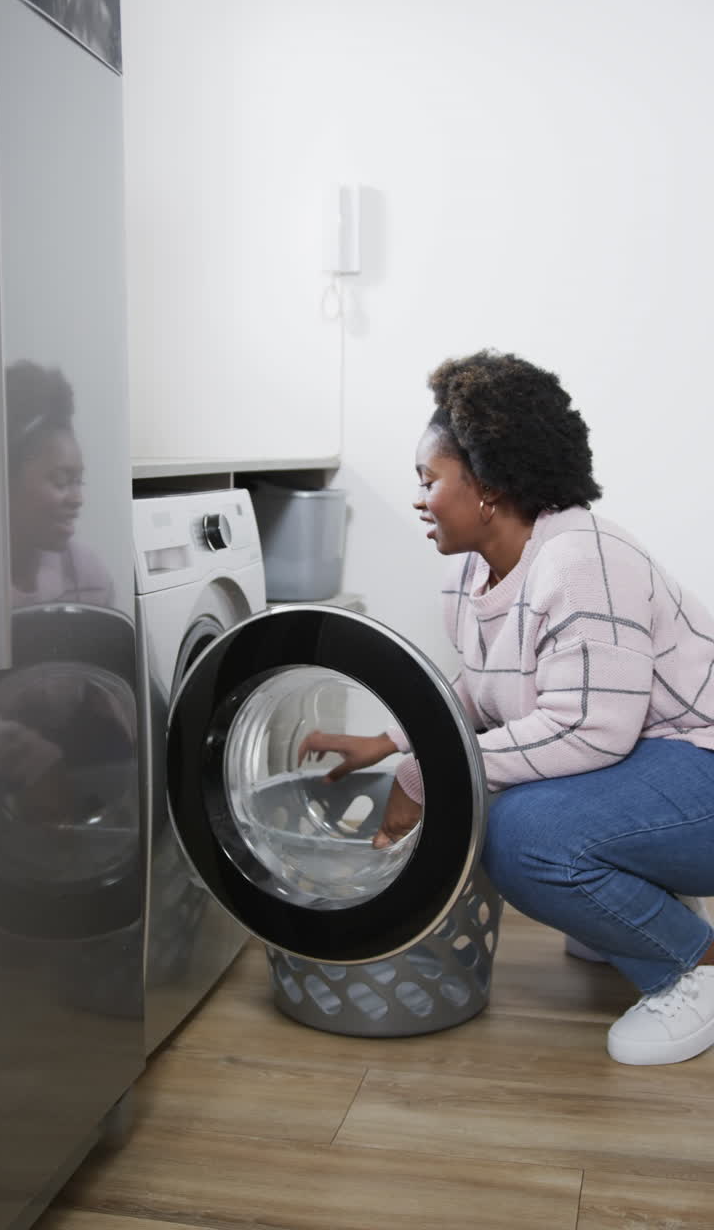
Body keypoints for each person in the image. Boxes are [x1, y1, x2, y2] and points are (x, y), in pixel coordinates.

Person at [298, 349, 714, 1067]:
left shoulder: (581, 557)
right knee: (513, 802)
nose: (420, 499)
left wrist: (421, 776)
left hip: (700, 764)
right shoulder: (475, 571)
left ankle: (693, 967)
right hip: (665, 769)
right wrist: (390, 742)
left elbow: (590, 729)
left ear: (486, 485)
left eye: (429, 481)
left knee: (516, 834)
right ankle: (630, 913)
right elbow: (492, 687)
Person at [6, 360, 113, 607]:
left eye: (79, 481)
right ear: (7, 478)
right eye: (61, 481)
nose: (78, 499)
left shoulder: (90, 577)